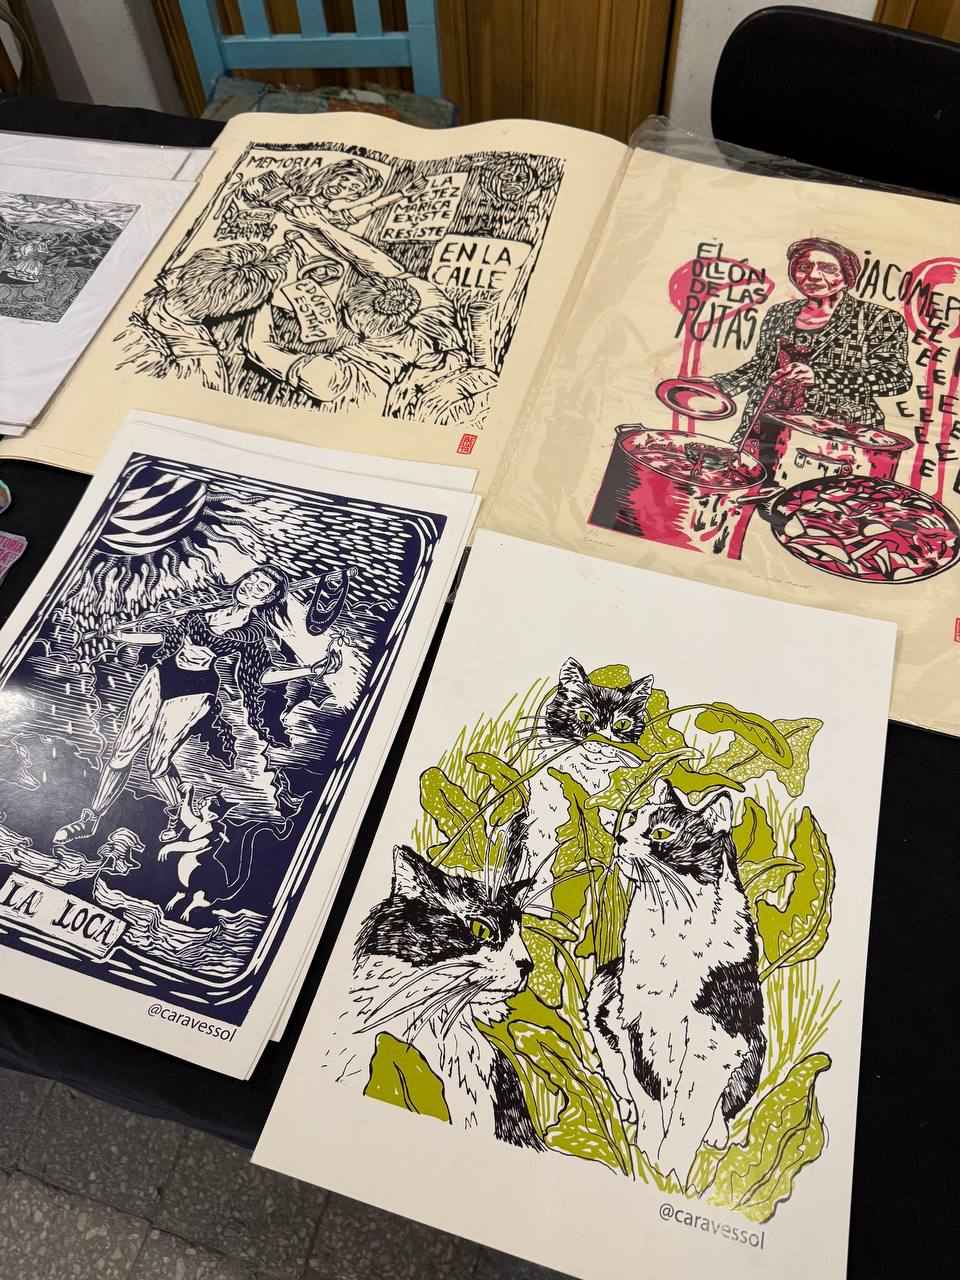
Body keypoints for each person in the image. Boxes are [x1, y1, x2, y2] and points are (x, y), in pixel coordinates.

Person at [53, 566, 343, 845]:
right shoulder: (204, 610)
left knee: (156, 764)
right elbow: (167, 637)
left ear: (267, 598)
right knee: (121, 754)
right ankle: (90, 820)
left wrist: (310, 670)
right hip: (161, 674)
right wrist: (122, 636)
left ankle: (178, 811)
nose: (250, 586)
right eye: (251, 579)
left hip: (195, 688)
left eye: (261, 587)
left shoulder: (253, 632)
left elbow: (263, 676)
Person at [705, 237, 912, 446]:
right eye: (804, 267)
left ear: (847, 276)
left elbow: (897, 377)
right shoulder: (779, 313)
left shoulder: (878, 318)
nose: (813, 275)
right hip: (765, 425)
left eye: (828, 268)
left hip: (836, 436)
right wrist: (720, 384)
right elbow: (763, 365)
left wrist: (820, 377)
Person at [117, 242, 292, 392]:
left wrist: (268, 263)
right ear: (237, 307)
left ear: (187, 270)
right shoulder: (206, 368)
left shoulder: (131, 292)